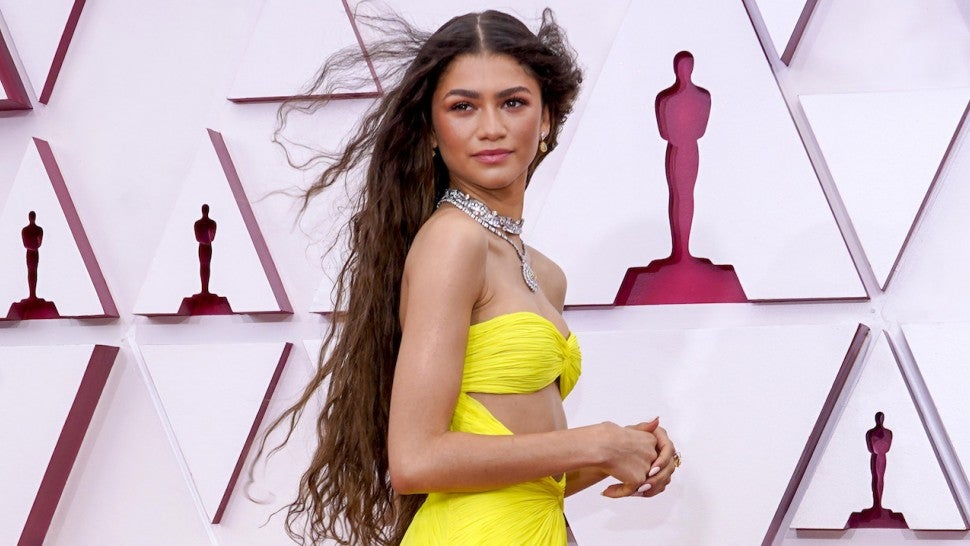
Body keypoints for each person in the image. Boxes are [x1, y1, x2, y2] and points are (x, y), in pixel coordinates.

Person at [264, 8, 678, 545]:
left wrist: (625, 451)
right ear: (432, 131)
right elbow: (416, 459)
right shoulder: (452, 242)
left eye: (513, 102)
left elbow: (526, 481)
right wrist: (596, 442)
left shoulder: (545, 274)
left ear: (547, 118)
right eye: (463, 106)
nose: (491, 128)